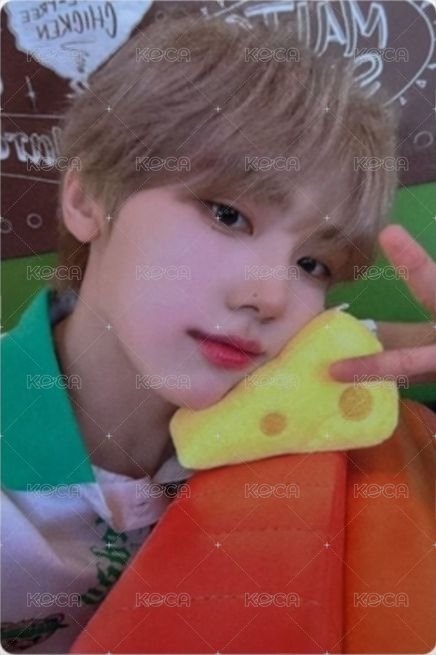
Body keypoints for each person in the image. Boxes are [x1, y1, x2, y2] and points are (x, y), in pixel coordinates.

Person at [2, 14, 435, 654]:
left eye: (312, 264)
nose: (270, 297)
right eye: (228, 215)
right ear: (89, 197)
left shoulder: (293, 383)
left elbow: (393, 347)